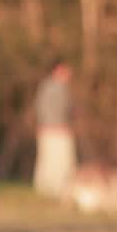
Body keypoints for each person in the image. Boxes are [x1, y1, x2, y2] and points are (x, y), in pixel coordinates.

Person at [34, 59, 76, 198]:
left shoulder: (60, 87)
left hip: (56, 129)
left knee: (54, 159)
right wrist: (56, 126)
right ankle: (51, 188)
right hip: (54, 130)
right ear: (58, 70)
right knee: (55, 159)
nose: (70, 73)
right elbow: (44, 109)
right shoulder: (51, 87)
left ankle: (55, 188)